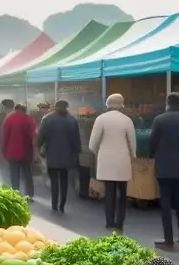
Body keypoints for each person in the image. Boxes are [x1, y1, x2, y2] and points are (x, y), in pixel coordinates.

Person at [149, 92, 179, 247]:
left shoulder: (159, 120)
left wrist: (151, 154)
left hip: (163, 168)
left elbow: (152, 143)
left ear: (167, 103)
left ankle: (168, 239)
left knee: (165, 203)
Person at [89, 93, 136, 231]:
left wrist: (98, 152)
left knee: (109, 192)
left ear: (107, 104)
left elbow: (93, 143)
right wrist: (133, 156)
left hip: (106, 161)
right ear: (121, 105)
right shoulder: (127, 120)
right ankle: (120, 221)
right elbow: (132, 144)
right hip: (123, 161)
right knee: (122, 193)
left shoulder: (100, 119)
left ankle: (109, 221)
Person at [37, 100, 80, 212]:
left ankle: (54, 203)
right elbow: (76, 140)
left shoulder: (47, 119)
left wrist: (38, 148)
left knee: (54, 181)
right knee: (64, 181)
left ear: (55, 107)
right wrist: (76, 155)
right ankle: (62, 203)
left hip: (52, 155)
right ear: (66, 107)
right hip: (67, 156)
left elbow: (40, 137)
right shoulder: (72, 120)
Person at [1, 103, 37, 199]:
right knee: (27, 174)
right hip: (27, 152)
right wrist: (34, 152)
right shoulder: (29, 119)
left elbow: (5, 136)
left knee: (14, 174)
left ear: (16, 109)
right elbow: (33, 136)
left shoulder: (9, 119)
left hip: (12, 151)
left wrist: (4, 150)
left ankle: (15, 193)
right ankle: (29, 194)